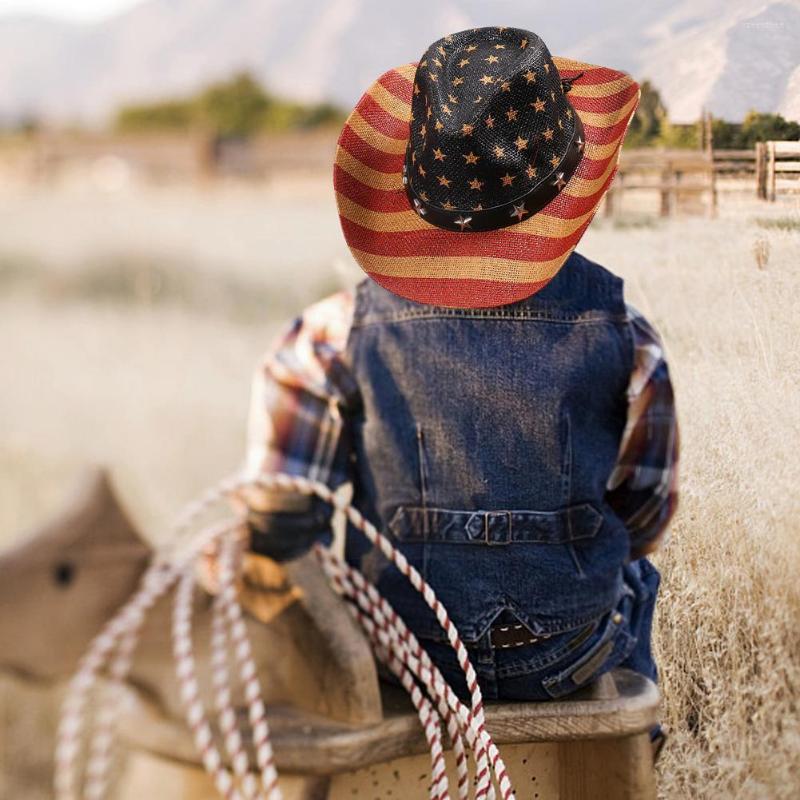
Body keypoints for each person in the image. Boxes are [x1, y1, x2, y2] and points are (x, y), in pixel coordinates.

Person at [238, 27, 678, 758]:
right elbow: (644, 510)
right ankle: (630, 753)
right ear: (566, 183)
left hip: (403, 653)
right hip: (565, 653)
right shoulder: (626, 332)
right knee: (635, 569)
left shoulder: (330, 333)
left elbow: (285, 518)